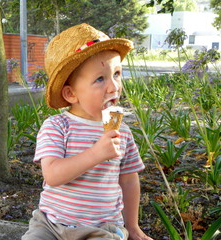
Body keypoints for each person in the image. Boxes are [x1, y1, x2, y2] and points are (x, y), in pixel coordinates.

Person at [22, 23, 153, 240]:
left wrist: (133, 227)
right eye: (100, 79)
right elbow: (53, 175)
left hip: (101, 228)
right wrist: (95, 154)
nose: (114, 87)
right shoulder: (57, 126)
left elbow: (129, 180)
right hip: (50, 224)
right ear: (71, 94)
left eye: (117, 74)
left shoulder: (123, 131)